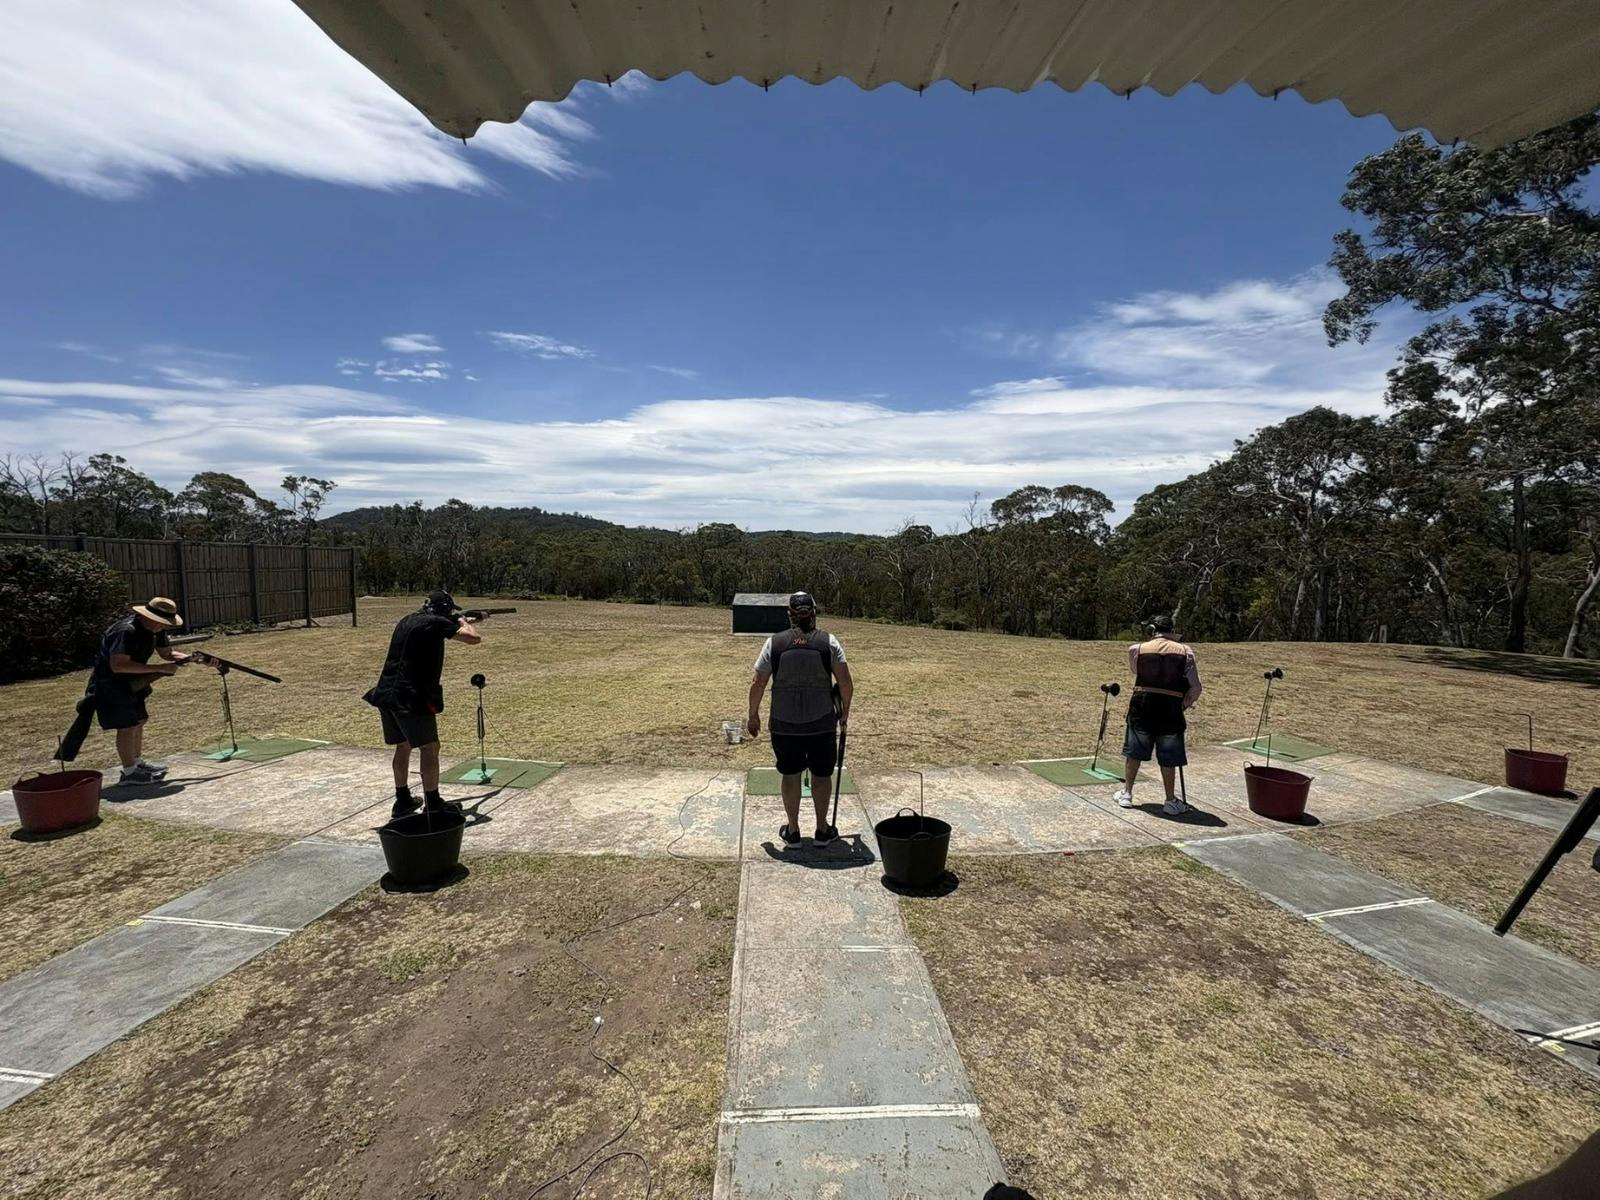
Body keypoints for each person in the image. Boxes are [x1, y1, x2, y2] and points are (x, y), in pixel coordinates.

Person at [363, 590, 483, 818]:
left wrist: (457, 621)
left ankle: (402, 799)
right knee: (430, 747)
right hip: (410, 697)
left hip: (386, 692)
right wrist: (463, 621)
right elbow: (473, 638)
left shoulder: (408, 619)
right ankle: (433, 803)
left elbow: (434, 631)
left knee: (403, 745)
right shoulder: (437, 623)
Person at [746, 591, 853, 847]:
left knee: (791, 774)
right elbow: (845, 683)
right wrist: (844, 712)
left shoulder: (774, 643)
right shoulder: (829, 642)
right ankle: (822, 829)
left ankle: (793, 831)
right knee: (822, 775)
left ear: (789, 615)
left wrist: (753, 714)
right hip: (822, 723)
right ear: (814, 613)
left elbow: (758, 681)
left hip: (784, 724)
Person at [79, 596, 205, 785]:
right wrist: (159, 668)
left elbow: (167, 653)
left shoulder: (156, 630)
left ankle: (137, 763)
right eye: (161, 621)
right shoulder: (125, 631)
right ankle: (129, 772)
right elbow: (118, 665)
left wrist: (193, 658)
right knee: (127, 726)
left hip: (134, 682)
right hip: (110, 685)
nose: (163, 626)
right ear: (147, 616)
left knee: (139, 720)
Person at [1113, 614, 1201, 815]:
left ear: (1152, 630)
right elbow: (1195, 687)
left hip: (1142, 705)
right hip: (1170, 708)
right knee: (1169, 756)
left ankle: (1127, 793)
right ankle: (1170, 800)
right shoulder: (1186, 652)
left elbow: (1136, 671)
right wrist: (1184, 704)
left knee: (1134, 752)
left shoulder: (1137, 649)